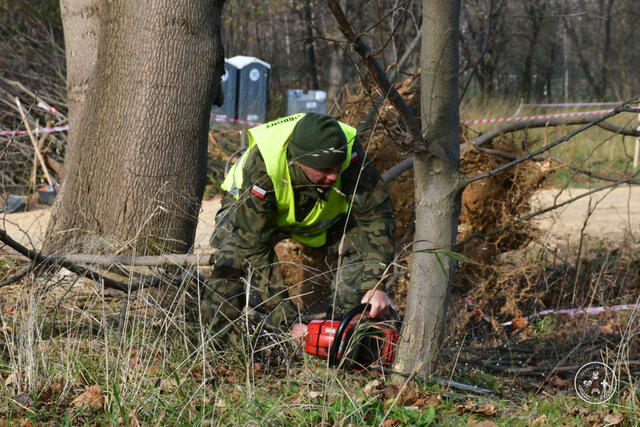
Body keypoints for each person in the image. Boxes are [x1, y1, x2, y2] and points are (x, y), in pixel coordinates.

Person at [201, 112, 395, 343]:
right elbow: (253, 245)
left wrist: (375, 284)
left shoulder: (348, 151)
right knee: (232, 256)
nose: (334, 176)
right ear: (299, 161)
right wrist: (288, 320)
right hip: (249, 212)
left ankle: (340, 338)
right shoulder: (264, 164)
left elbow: (375, 216)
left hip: (315, 216)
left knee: (360, 245)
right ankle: (218, 347)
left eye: (337, 167)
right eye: (324, 170)